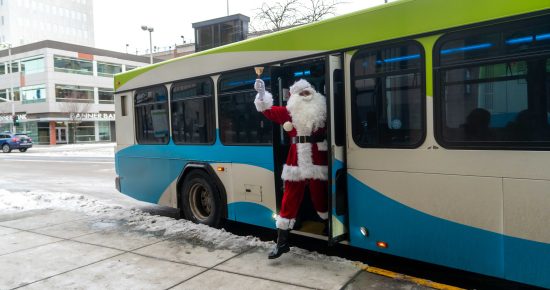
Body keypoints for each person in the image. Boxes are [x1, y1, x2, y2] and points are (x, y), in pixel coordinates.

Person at [254, 78, 328, 259]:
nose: (305, 96)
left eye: (307, 92)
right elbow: (268, 110)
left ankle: (328, 225)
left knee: (321, 196)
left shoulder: (324, 110)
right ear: (294, 96)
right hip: (296, 160)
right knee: (290, 198)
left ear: (313, 93)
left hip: (318, 159)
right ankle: (282, 243)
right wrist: (262, 95)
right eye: (301, 93)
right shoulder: (289, 112)